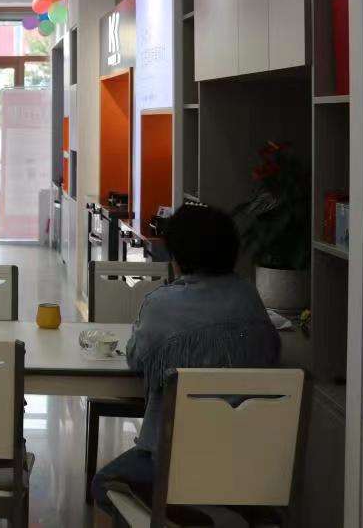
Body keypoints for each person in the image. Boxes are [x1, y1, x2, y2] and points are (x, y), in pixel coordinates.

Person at [90, 203, 280, 525]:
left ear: (178, 255)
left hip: (175, 461)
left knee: (104, 483)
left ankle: (188, 511)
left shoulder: (162, 305)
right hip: (245, 465)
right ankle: (221, 509)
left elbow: (137, 359)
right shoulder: (250, 298)